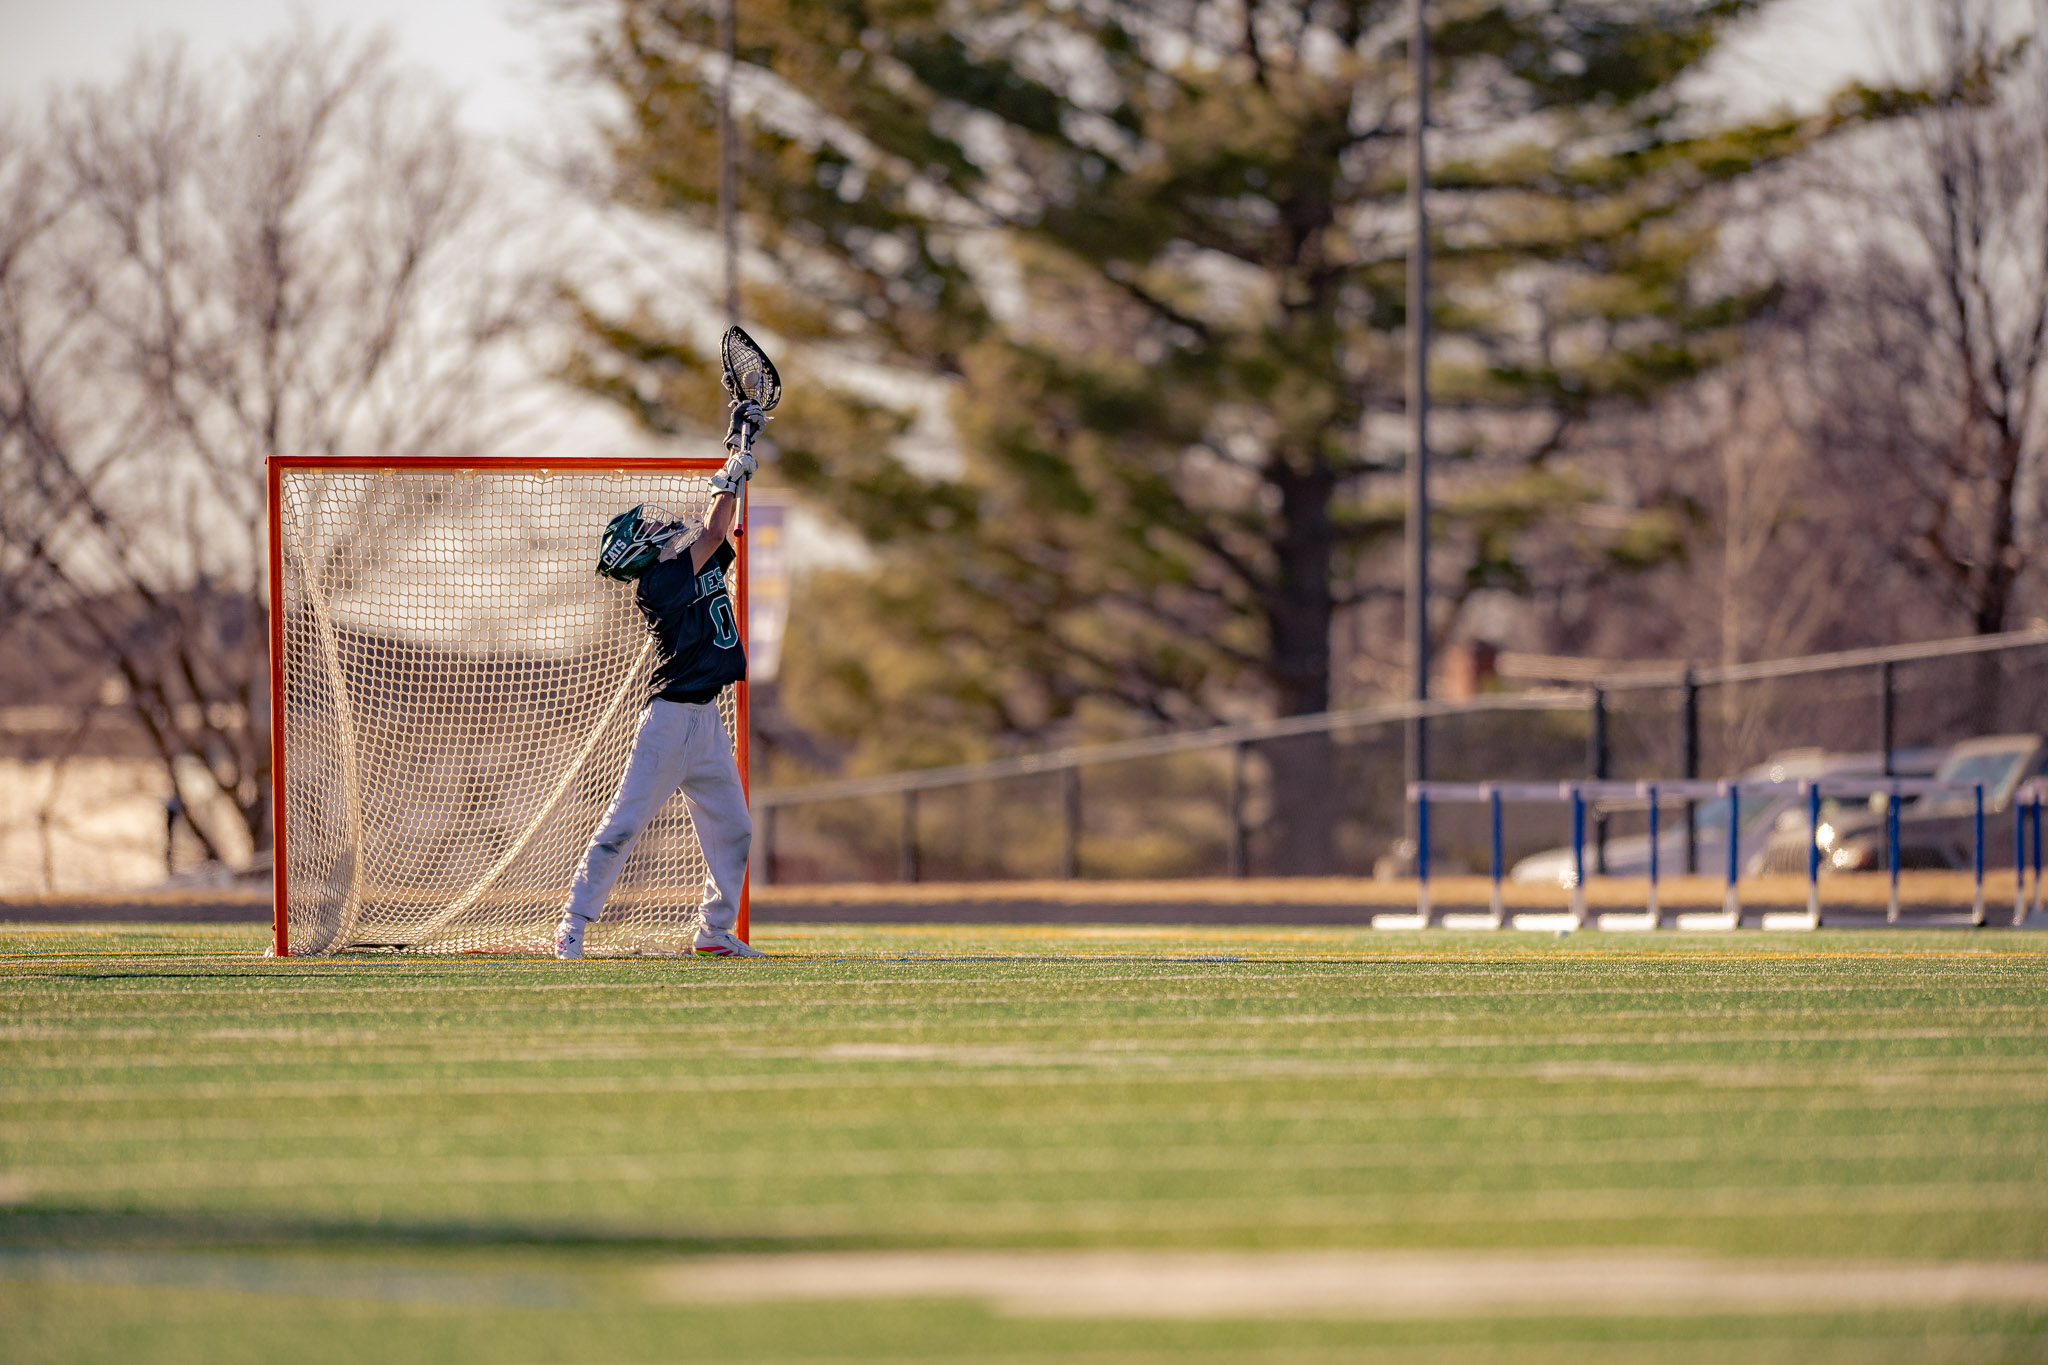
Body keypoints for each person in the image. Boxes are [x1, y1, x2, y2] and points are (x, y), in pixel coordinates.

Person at [554, 398, 766, 960]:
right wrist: (733, 463)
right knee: (623, 823)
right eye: (646, 529)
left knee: (734, 827)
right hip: (670, 720)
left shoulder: (688, 566)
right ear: (641, 551)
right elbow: (717, 524)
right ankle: (573, 924)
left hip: (706, 718)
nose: (658, 526)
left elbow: (720, 529)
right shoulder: (659, 583)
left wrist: (739, 451)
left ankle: (715, 933)